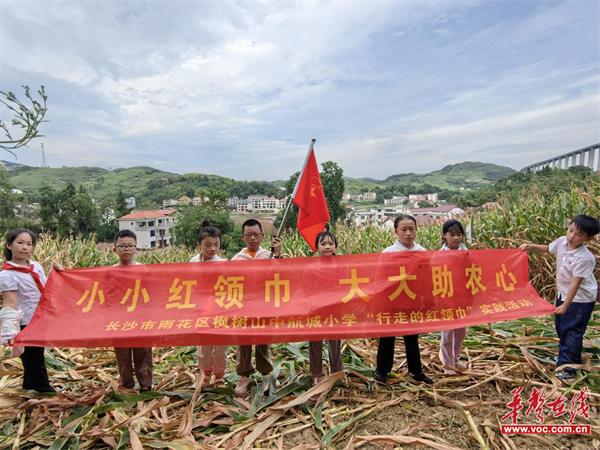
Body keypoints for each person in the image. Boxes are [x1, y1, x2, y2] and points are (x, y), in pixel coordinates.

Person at [520, 215, 599, 382]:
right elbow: (549, 248)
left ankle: (568, 369)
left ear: (588, 238)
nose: (571, 236)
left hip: (579, 299)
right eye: (570, 230)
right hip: (563, 294)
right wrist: (530, 246)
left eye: (578, 234)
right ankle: (567, 357)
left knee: (571, 330)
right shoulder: (563, 241)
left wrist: (565, 306)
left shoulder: (584, 258)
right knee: (562, 328)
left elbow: (575, 284)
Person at [374, 215, 433, 385]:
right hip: (391, 301)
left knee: (412, 337)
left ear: (416, 230)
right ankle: (382, 371)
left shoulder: (421, 252)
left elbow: (426, 278)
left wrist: (427, 299)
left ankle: (416, 371)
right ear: (396, 232)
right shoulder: (388, 253)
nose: (408, 233)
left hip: (412, 300)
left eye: (411, 229)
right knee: (387, 337)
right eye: (404, 229)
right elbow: (380, 278)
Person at [0, 229, 55, 392]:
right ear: (9, 245)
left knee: (36, 357)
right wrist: (10, 331)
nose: (25, 247)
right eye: (20, 243)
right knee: (33, 358)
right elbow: (10, 302)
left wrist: (56, 273)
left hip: (41, 318)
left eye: (29, 244)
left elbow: (46, 287)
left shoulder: (36, 266)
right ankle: (44, 390)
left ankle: (29, 389)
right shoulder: (6, 275)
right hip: (26, 322)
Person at [231, 219, 281, 396]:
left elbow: (280, 275)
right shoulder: (236, 259)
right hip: (243, 307)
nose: (252, 238)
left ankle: (266, 373)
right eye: (249, 235)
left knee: (262, 341)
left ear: (262, 236)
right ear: (243, 237)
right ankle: (244, 375)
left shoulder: (269, 256)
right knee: (243, 342)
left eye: (256, 234)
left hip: (263, 305)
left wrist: (278, 256)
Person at [112, 230, 153, 392]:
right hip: (119, 320)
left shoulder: (144, 270)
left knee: (143, 352)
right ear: (114, 249)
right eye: (122, 246)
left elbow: (152, 293)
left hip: (141, 318)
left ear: (136, 248)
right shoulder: (110, 272)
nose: (126, 249)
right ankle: (127, 384)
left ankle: (146, 385)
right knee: (122, 354)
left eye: (130, 246)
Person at [190, 220, 227, 387]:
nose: (212, 249)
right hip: (200, 310)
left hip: (220, 310)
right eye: (208, 245)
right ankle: (205, 375)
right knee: (203, 347)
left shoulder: (224, 264)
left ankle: (219, 376)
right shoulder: (192, 262)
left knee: (220, 346)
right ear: (199, 245)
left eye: (216, 245)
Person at [308, 231, 344, 384]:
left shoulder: (343, 266)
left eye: (331, 243)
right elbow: (305, 288)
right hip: (316, 309)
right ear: (316, 248)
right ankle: (316, 374)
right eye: (323, 244)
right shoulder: (310, 268)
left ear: (336, 247)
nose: (327, 247)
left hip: (335, 309)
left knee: (335, 341)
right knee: (315, 341)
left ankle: (336, 371)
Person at [437, 219, 469, 375]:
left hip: (463, 299)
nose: (456, 238)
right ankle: (448, 364)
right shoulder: (438, 256)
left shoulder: (467, 253)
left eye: (458, 234)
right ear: (444, 235)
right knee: (447, 332)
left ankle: (455, 359)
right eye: (452, 234)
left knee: (461, 332)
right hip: (446, 299)